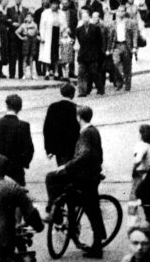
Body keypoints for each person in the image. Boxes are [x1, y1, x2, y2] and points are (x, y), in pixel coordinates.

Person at [45, 105, 105, 259]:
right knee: (93, 210)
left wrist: (66, 165)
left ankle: (55, 209)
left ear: (79, 118)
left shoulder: (86, 133)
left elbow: (84, 154)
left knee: (51, 177)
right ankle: (94, 241)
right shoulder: (93, 131)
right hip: (90, 175)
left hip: (84, 177)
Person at [0, 94, 34, 186]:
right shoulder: (23, 126)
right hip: (16, 169)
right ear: (20, 108)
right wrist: (23, 163)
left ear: (7, 106)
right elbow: (29, 149)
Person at [43, 82, 80, 167]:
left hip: (58, 148)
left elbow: (47, 129)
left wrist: (49, 150)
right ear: (73, 94)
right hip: (73, 147)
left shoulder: (53, 107)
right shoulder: (75, 108)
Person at [107, 4, 139, 91]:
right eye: (119, 11)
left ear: (125, 12)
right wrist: (108, 49)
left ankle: (127, 85)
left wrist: (135, 47)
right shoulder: (112, 23)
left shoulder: (131, 22)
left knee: (127, 66)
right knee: (115, 63)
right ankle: (119, 82)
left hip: (126, 45)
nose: (120, 13)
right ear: (116, 12)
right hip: (116, 45)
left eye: (122, 11)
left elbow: (135, 35)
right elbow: (109, 37)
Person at [76, 9, 106, 97]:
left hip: (93, 54)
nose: (85, 19)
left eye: (86, 17)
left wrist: (98, 53)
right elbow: (79, 41)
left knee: (94, 73)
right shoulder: (78, 30)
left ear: (89, 18)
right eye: (83, 17)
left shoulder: (95, 28)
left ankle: (100, 89)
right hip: (83, 55)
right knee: (81, 74)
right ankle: (82, 91)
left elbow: (99, 41)